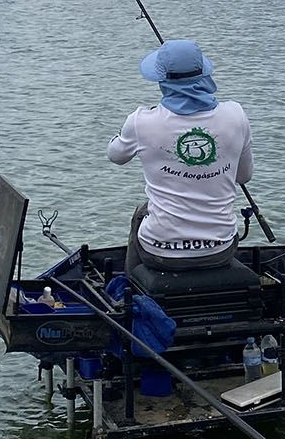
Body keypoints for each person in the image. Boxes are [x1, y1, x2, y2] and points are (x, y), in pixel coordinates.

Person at [108, 38, 253, 270]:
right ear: (203, 75)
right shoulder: (236, 114)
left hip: (159, 250)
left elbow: (115, 156)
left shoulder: (141, 121)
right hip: (221, 247)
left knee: (141, 213)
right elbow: (243, 177)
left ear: (162, 79)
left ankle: (132, 286)